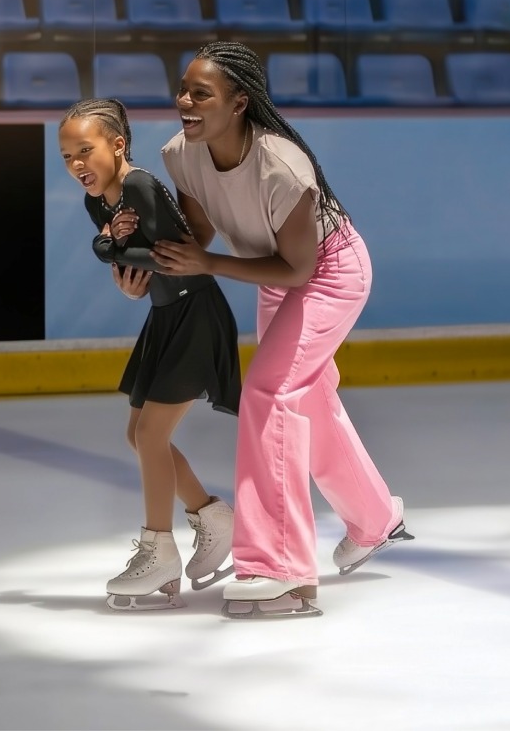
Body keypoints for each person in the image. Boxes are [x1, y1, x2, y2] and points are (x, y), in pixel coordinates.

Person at [114, 41, 413, 619]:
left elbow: (300, 267)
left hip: (330, 272)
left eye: (202, 94)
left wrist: (212, 266)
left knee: (270, 394)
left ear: (240, 103)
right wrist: (143, 272)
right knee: (309, 400)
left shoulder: (281, 164)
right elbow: (194, 239)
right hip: (274, 277)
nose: (185, 102)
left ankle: (280, 569)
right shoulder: (183, 154)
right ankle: (377, 518)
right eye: (183, 90)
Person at [58, 98, 241, 611]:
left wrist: (107, 250)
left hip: (196, 313)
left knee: (151, 434)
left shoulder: (138, 186)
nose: (77, 165)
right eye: (67, 157)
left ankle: (159, 548)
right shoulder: (100, 202)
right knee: (137, 433)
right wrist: (126, 277)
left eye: (86, 151)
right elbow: (137, 270)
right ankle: (212, 516)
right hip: (165, 316)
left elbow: (169, 257)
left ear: (117, 146)